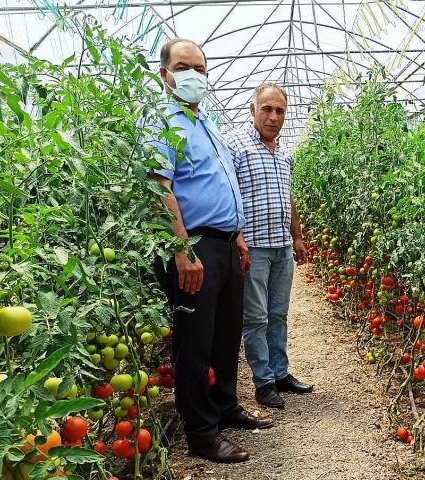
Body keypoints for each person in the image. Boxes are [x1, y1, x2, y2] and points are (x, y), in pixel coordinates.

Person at [141, 39, 273, 464]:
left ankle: (226, 406)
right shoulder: (161, 121)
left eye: (201, 67)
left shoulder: (207, 123)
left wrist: (237, 235)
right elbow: (158, 187)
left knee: (225, 333)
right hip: (193, 244)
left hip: (224, 244)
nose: (195, 74)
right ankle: (201, 432)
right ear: (166, 74)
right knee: (194, 343)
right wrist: (181, 248)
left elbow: (222, 185)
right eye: (184, 66)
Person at [225, 83, 313, 410]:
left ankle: (280, 373)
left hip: (281, 246)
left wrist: (298, 237)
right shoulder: (237, 148)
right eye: (267, 109)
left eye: (280, 111)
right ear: (253, 110)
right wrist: (237, 238)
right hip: (254, 247)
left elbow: (286, 197)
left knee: (278, 314)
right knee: (256, 318)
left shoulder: (284, 154)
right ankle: (263, 382)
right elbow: (229, 196)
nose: (273, 117)